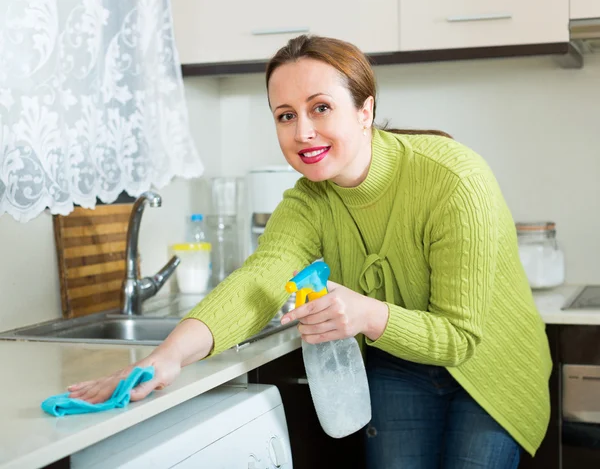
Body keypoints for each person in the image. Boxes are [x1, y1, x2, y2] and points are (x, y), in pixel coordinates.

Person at [68, 35, 551, 468]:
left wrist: (367, 314)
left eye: (320, 108)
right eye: (286, 115)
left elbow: (460, 337)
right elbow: (259, 281)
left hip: (489, 366)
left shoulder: (453, 180)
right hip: (398, 363)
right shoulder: (307, 201)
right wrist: (166, 357)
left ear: (365, 111)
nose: (302, 132)